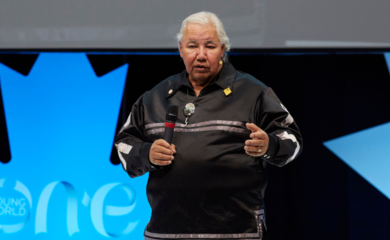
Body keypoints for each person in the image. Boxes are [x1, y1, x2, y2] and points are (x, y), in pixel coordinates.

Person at [114, 11, 303, 240]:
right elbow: (123, 146)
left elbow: (292, 140)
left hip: (237, 233)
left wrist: (269, 145)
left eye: (210, 46)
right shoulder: (155, 97)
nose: (201, 55)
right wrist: (147, 153)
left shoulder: (253, 93)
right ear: (181, 49)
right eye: (192, 46)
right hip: (166, 232)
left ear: (223, 50)